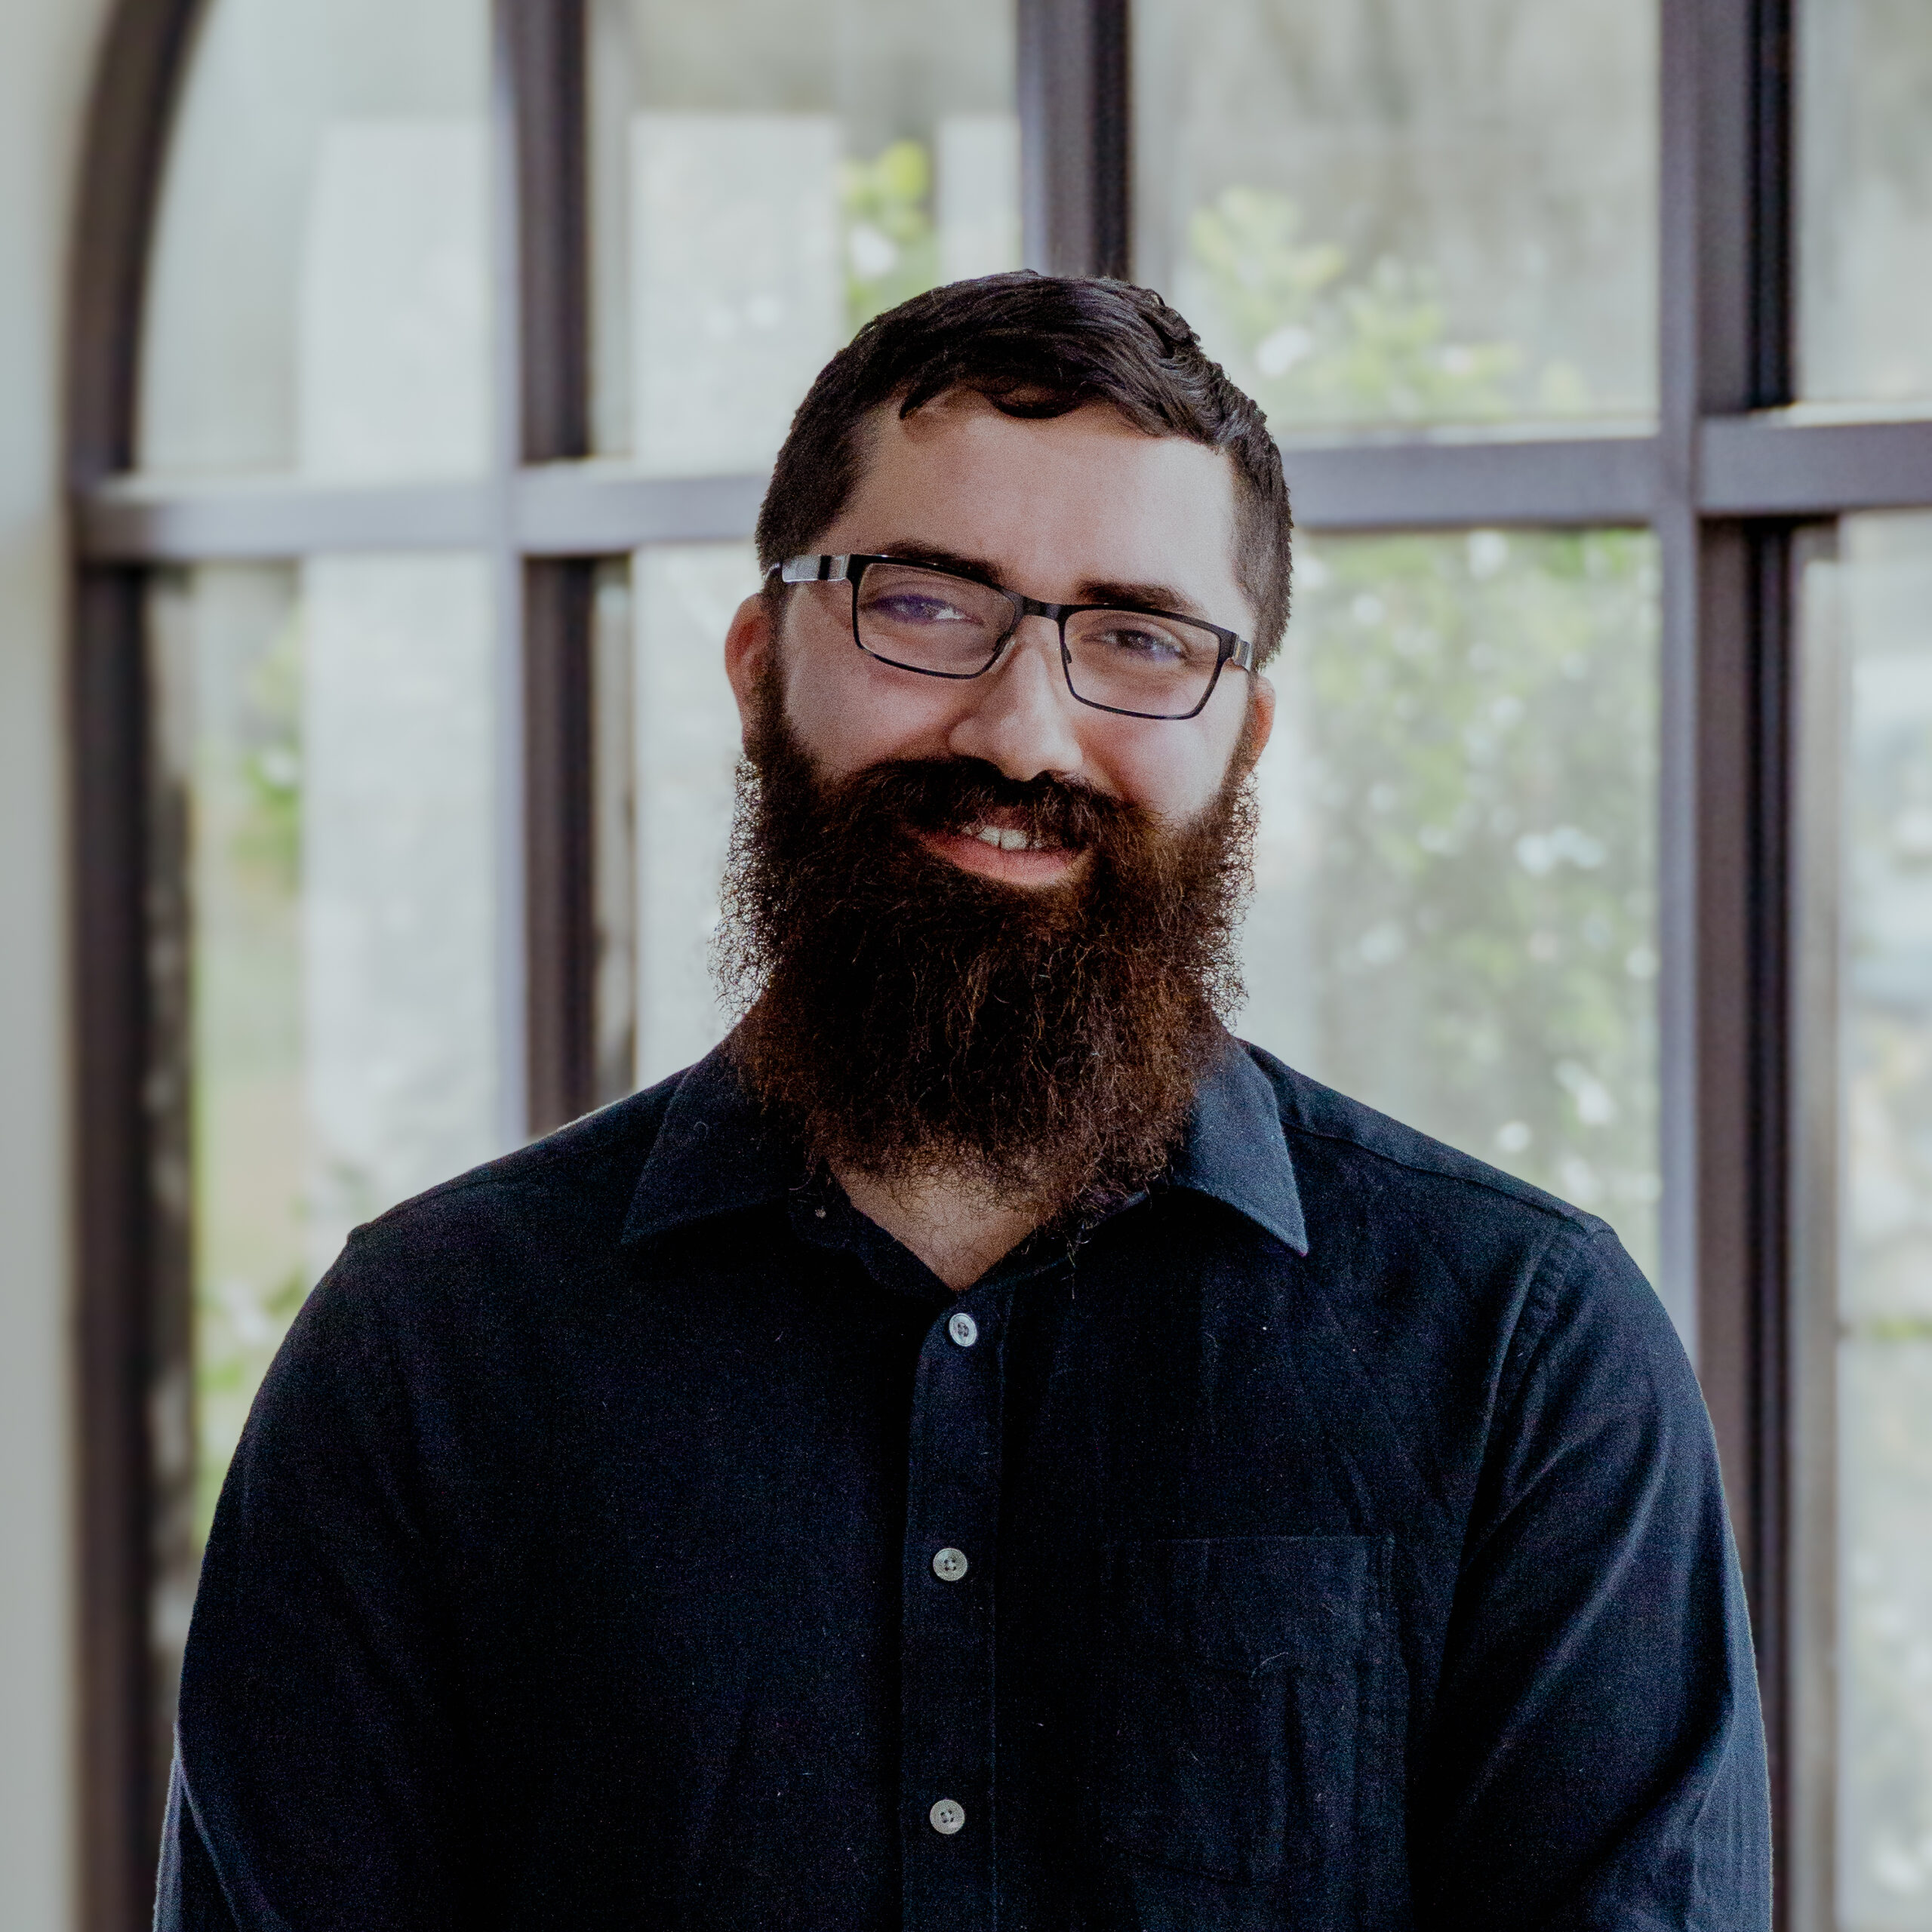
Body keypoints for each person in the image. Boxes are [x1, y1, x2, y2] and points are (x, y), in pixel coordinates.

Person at [158, 273, 1770, 1930]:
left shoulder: (1522, 1352)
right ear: (758, 664)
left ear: (1243, 737)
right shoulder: (428, 1350)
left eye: (1137, 639)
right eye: (926, 606)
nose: (1021, 731)